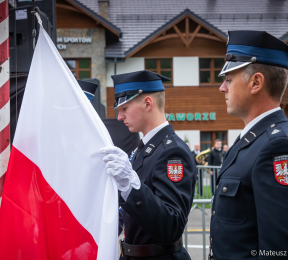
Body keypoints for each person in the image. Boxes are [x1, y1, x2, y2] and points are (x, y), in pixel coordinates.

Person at [101, 70, 197, 260]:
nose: (119, 117)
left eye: (124, 108)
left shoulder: (172, 151)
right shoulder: (143, 149)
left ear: (147, 103)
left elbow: (171, 226)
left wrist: (132, 187)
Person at [209, 30, 288, 260]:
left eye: (228, 79)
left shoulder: (276, 145)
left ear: (255, 83)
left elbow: (277, 250)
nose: (222, 88)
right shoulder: (253, 138)